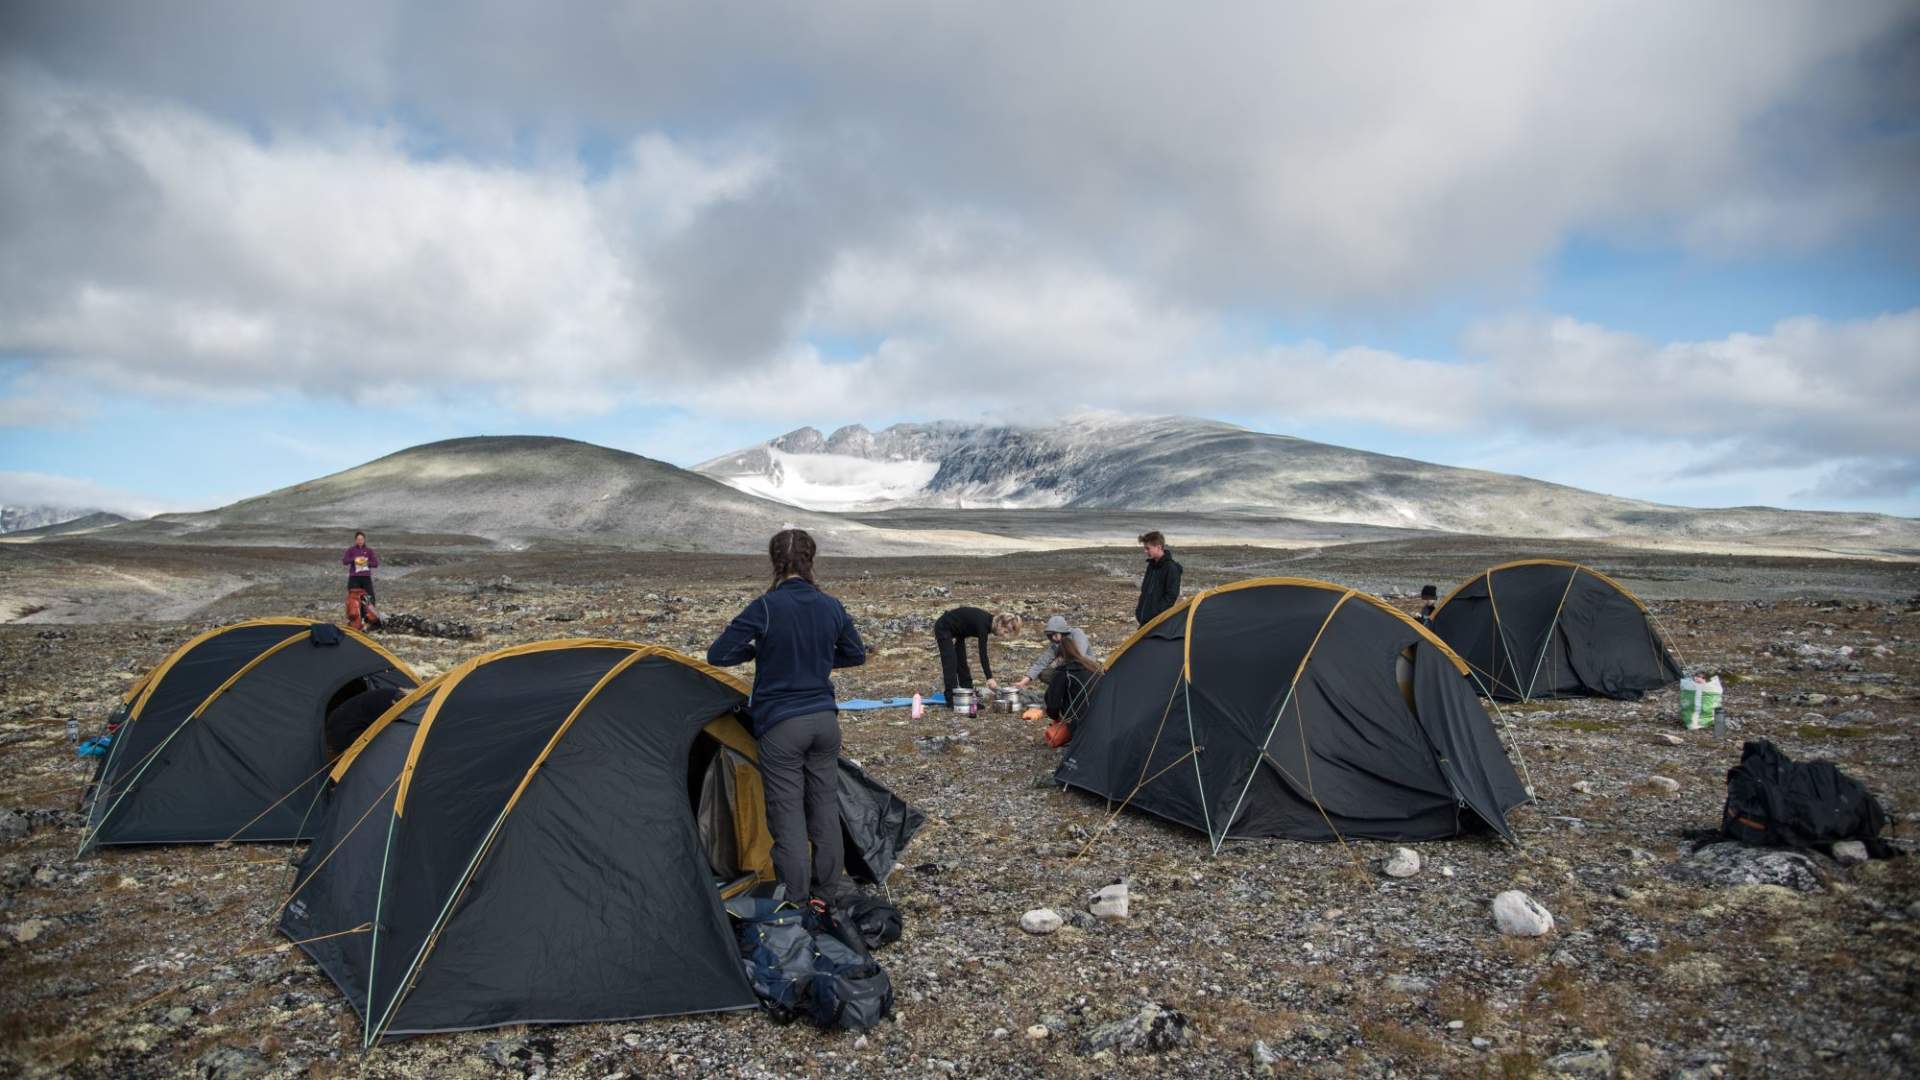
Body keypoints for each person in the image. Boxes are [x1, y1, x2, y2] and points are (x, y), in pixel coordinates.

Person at [707, 529, 866, 907]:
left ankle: (795, 900)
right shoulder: (831, 605)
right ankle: (828, 893)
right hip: (825, 723)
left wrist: (761, 653)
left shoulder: (765, 607)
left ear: (775, 562)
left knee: (787, 814)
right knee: (824, 807)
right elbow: (856, 654)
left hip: (782, 725)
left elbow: (719, 655)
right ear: (811, 561)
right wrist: (819, 661)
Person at [933, 608, 1021, 700]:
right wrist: (989, 678)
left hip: (959, 632)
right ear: (1000, 624)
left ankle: (968, 696)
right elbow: (983, 654)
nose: (1003, 635)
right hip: (944, 627)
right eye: (1005, 631)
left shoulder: (988, 622)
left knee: (962, 663)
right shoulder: (983, 624)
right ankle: (950, 699)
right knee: (950, 663)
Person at [1013, 616, 1098, 709]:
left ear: (1062, 632)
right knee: (1045, 674)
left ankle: (1077, 692)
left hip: (1085, 669)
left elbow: (1078, 655)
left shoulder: (1077, 633)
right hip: (1068, 670)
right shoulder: (1055, 644)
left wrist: (1060, 662)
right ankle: (1065, 693)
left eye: (1055, 634)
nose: (1053, 638)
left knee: (1061, 672)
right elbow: (1040, 663)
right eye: (1050, 635)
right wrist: (1022, 683)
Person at [1135, 530, 1183, 626]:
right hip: (1144, 620)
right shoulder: (1151, 565)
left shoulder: (1171, 568)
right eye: (1145, 548)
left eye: (1148, 548)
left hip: (1157, 622)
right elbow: (1145, 591)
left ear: (1159, 547)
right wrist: (1139, 611)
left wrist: (1155, 615)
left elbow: (1171, 597)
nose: (1145, 551)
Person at [341, 531, 382, 630]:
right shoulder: (351, 550)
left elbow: (376, 564)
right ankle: (354, 620)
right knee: (353, 599)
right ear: (355, 540)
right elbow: (344, 561)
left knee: (369, 598)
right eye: (358, 539)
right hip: (354, 577)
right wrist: (354, 559)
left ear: (364, 540)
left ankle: (369, 619)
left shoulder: (369, 551)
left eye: (362, 539)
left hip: (366, 577)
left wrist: (366, 562)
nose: (360, 541)